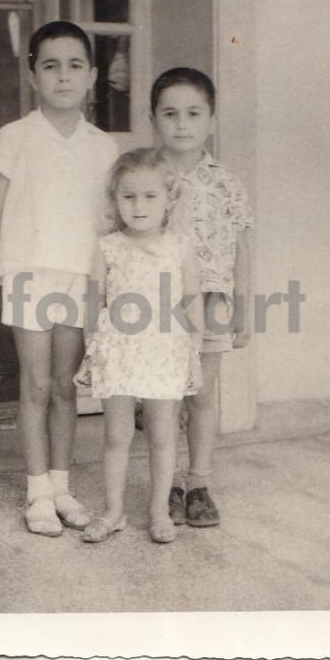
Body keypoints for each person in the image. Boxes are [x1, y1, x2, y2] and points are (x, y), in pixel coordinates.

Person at [0, 21, 119, 537]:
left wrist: (109, 288)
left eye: (75, 65)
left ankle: (61, 487)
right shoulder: (14, 137)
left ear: (92, 75)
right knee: (34, 384)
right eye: (51, 66)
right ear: (33, 75)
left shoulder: (103, 147)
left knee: (64, 387)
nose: (63, 76)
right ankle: (37, 493)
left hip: (80, 276)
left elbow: (110, 223)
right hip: (29, 274)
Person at [74, 148, 203, 544]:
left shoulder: (179, 245)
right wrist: (91, 351)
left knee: (163, 434)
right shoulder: (108, 247)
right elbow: (93, 302)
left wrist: (194, 352)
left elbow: (192, 299)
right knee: (117, 435)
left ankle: (158, 511)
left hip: (165, 349)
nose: (139, 206)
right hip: (118, 351)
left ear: (169, 199)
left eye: (150, 196)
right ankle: (113, 511)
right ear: (115, 199)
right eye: (128, 196)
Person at [150, 67, 254, 528]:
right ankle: (168, 485)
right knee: (165, 397)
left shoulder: (227, 182)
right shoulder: (147, 177)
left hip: (212, 303)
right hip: (158, 303)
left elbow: (241, 250)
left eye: (193, 113)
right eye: (170, 113)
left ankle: (198, 484)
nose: (181, 124)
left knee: (202, 393)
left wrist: (243, 308)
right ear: (154, 118)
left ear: (210, 119)